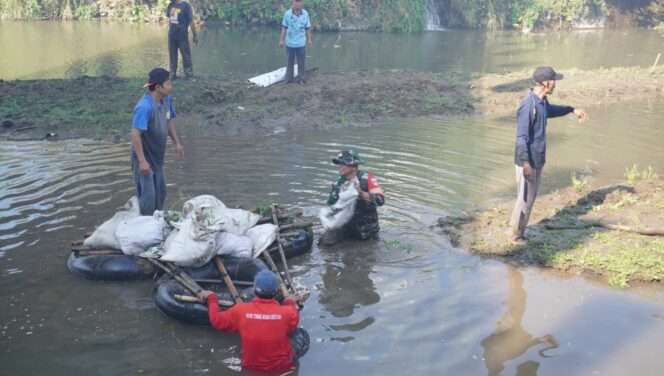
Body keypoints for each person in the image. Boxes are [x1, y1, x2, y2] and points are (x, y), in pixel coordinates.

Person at [509, 66, 587, 244]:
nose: (556, 84)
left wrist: (571, 110)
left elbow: (550, 111)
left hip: (537, 159)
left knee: (529, 197)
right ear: (546, 83)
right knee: (525, 199)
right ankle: (515, 236)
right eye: (554, 81)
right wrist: (526, 164)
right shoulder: (528, 105)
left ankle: (517, 230)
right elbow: (521, 138)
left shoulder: (541, 102)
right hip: (527, 161)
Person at [198, 271, 309, 374]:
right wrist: (289, 301)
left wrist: (212, 298)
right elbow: (290, 327)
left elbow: (216, 320)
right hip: (283, 368)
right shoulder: (289, 312)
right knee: (301, 334)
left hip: (252, 369)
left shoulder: (240, 310)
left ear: (255, 289)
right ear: (277, 291)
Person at [131, 67, 184, 216]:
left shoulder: (166, 100)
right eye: (168, 84)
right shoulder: (144, 107)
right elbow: (135, 134)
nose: (171, 87)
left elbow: (169, 121)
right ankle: (143, 226)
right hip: (144, 157)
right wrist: (142, 162)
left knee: (161, 193)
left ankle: (156, 222)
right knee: (148, 198)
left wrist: (177, 143)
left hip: (157, 157)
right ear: (158, 87)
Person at [319, 150, 385, 246]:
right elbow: (331, 206)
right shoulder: (339, 183)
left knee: (361, 255)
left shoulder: (368, 178)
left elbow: (380, 200)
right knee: (324, 242)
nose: (339, 166)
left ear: (353, 166)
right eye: (339, 163)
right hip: (346, 225)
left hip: (365, 227)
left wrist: (361, 194)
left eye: (343, 164)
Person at [279, 0, 312, 84]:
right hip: (290, 43)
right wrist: (281, 40)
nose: (297, 4)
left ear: (302, 3)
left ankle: (301, 79)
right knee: (289, 62)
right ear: (292, 3)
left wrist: (309, 40)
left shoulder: (305, 14)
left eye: (299, 2)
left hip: (301, 43)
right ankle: (288, 79)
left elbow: (307, 28)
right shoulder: (287, 14)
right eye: (295, 2)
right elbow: (284, 27)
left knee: (301, 62)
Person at [166, 0, 198, 80]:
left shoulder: (186, 5)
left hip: (182, 34)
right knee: (172, 54)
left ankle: (189, 74)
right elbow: (170, 20)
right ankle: (172, 74)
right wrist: (170, 31)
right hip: (172, 35)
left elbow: (191, 21)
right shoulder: (171, 5)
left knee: (185, 54)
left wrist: (194, 35)